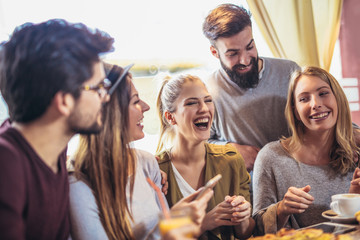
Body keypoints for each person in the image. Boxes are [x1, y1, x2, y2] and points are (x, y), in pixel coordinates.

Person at [69, 63, 213, 240]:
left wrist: (180, 224)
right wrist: (170, 226)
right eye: (136, 101)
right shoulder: (77, 186)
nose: (146, 107)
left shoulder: (147, 164)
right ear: (112, 112)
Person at [0, 19, 114, 239]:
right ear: (64, 101)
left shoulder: (53, 152)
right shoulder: (6, 165)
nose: (106, 96)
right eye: (98, 87)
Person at [252, 66, 360, 235]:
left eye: (323, 93)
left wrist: (354, 199)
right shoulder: (270, 157)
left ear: (338, 98)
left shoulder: (357, 148)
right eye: (304, 99)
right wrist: (281, 209)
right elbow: (257, 230)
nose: (316, 104)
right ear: (295, 111)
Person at [202, 4, 300, 172]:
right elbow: (196, 143)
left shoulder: (290, 72)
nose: (245, 60)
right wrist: (228, 151)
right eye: (233, 53)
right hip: (245, 193)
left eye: (250, 47)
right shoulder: (206, 91)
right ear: (214, 52)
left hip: (297, 181)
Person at [156, 74, 255, 240]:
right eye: (192, 103)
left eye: (208, 100)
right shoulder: (156, 170)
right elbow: (155, 233)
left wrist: (242, 218)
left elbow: (244, 233)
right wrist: (205, 222)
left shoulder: (231, 160)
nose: (204, 108)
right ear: (170, 117)